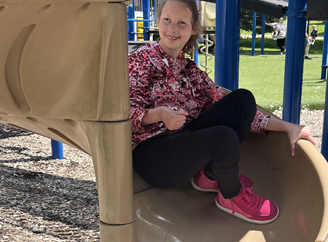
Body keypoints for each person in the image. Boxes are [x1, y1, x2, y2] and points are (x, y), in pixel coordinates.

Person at [129, 0, 315, 224]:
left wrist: (288, 126)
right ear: (158, 21)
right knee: (223, 138)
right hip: (154, 157)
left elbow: (229, 106)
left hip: (182, 144)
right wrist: (159, 114)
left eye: (181, 23)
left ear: (193, 28)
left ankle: (208, 177)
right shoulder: (142, 60)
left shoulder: (190, 71)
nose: (173, 29)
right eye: (167, 20)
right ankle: (232, 196)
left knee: (242, 99)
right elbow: (125, 113)